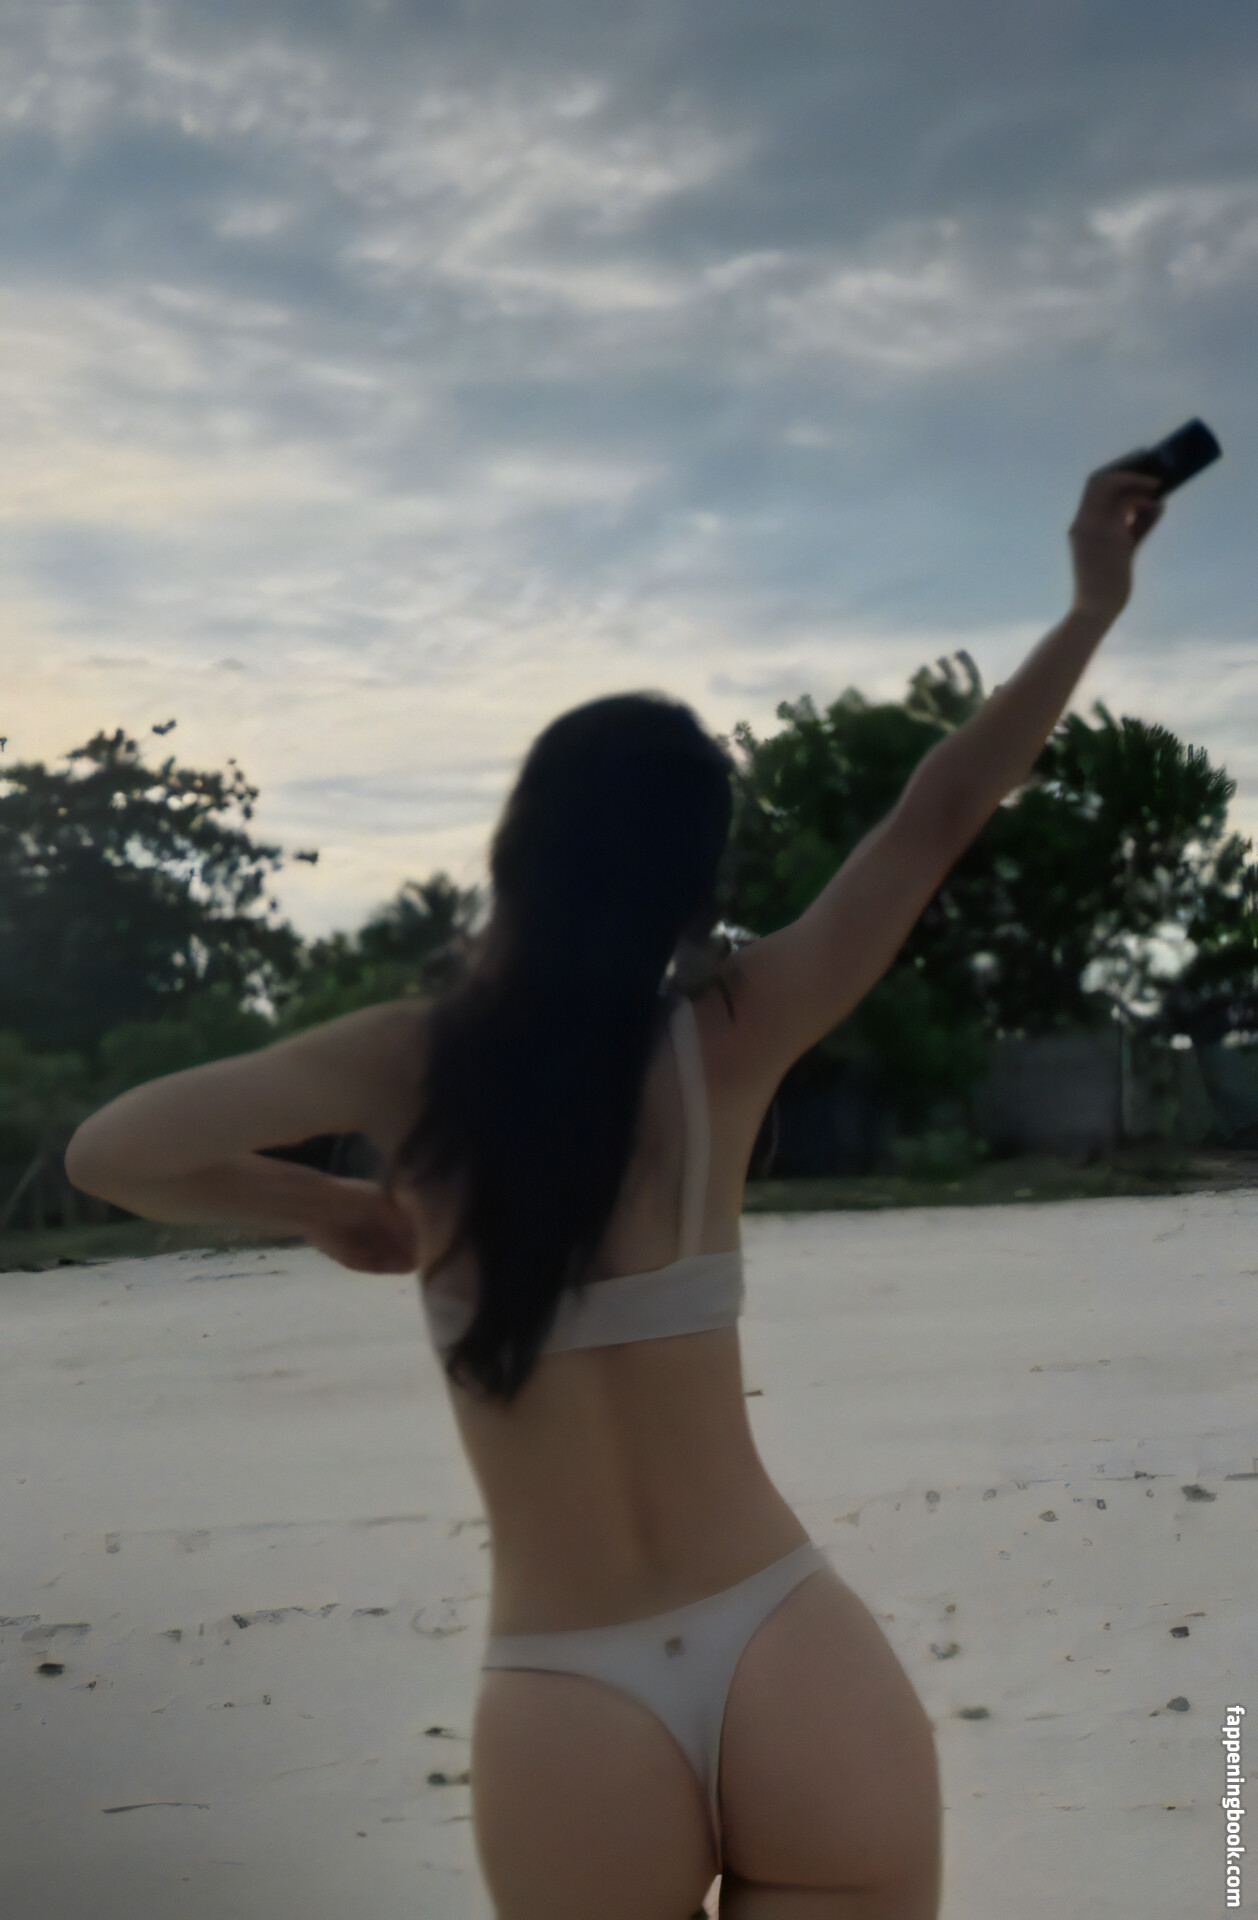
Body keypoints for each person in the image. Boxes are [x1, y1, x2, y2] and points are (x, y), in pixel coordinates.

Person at [311, 466, 1166, 1918]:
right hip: (786, 1648)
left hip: (566, 1691)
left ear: (519, 851)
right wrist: (1091, 604)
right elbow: (938, 811)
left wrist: (332, 1215)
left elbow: (114, 1152)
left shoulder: (411, 1063)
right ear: (687, 884)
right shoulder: (728, 1033)